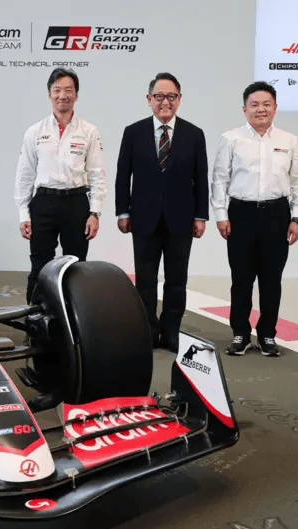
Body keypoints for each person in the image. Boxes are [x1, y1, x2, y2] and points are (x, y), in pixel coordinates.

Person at [210, 81, 298, 357]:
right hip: (240, 214)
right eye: (254, 105)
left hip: (277, 215)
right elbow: (219, 180)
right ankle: (240, 333)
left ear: (276, 108)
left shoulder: (289, 141)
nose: (260, 109)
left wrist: (297, 218)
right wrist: (220, 215)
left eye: (267, 104)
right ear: (244, 109)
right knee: (241, 278)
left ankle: (267, 335)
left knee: (271, 279)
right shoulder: (231, 139)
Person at [115, 72, 209, 353]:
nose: (165, 102)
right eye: (159, 97)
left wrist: (200, 216)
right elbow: (123, 176)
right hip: (143, 218)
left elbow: (201, 178)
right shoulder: (133, 132)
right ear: (149, 100)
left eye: (171, 97)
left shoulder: (194, 134)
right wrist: (123, 212)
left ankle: (171, 331)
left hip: (181, 219)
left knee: (176, 280)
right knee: (145, 280)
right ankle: (148, 331)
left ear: (179, 100)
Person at [15, 68, 107, 302]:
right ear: (49, 95)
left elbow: (97, 174)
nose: (62, 95)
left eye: (68, 90)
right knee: (40, 267)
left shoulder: (89, 131)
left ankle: (75, 326)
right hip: (43, 203)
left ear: (76, 95)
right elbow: (25, 174)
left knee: (75, 269)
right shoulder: (35, 132)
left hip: (76, 204)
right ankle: (36, 326)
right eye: (57, 90)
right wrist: (23, 214)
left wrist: (95, 213)